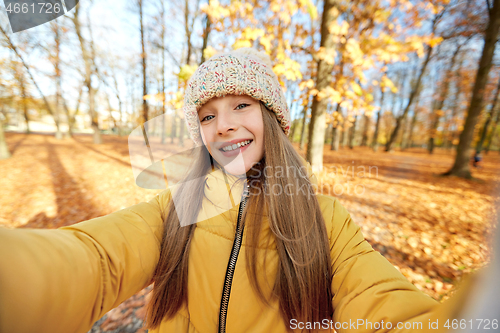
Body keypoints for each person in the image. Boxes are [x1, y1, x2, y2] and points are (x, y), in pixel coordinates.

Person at [0, 48, 462, 333]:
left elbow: (391, 314)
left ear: (273, 121)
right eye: (207, 115)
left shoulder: (328, 221)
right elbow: (96, 259)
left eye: (241, 104)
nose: (224, 126)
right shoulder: (177, 206)